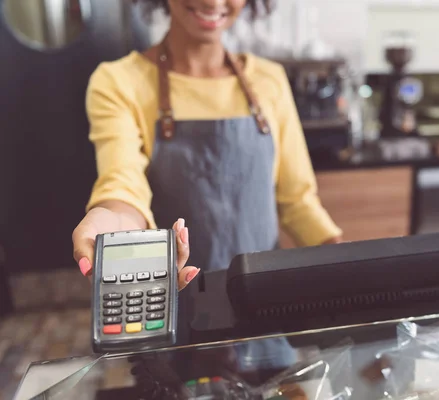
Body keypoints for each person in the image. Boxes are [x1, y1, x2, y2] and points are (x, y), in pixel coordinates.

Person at [71, 0, 343, 350]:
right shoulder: (119, 82)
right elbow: (123, 183)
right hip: (175, 322)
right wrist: (116, 218)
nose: (214, 2)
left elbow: (297, 201)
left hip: (264, 319)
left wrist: (347, 261)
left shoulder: (269, 80)